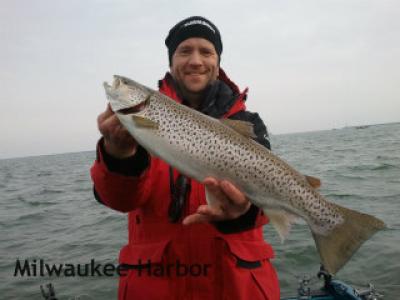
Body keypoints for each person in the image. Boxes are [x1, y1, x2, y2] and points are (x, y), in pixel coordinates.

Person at [90, 16, 280, 300]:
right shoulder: (141, 122)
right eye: (184, 51)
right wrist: (119, 152)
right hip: (158, 287)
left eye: (206, 51)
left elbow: (266, 200)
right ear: (171, 61)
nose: (195, 60)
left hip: (237, 288)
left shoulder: (248, 122)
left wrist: (243, 213)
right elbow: (121, 201)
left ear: (218, 60)